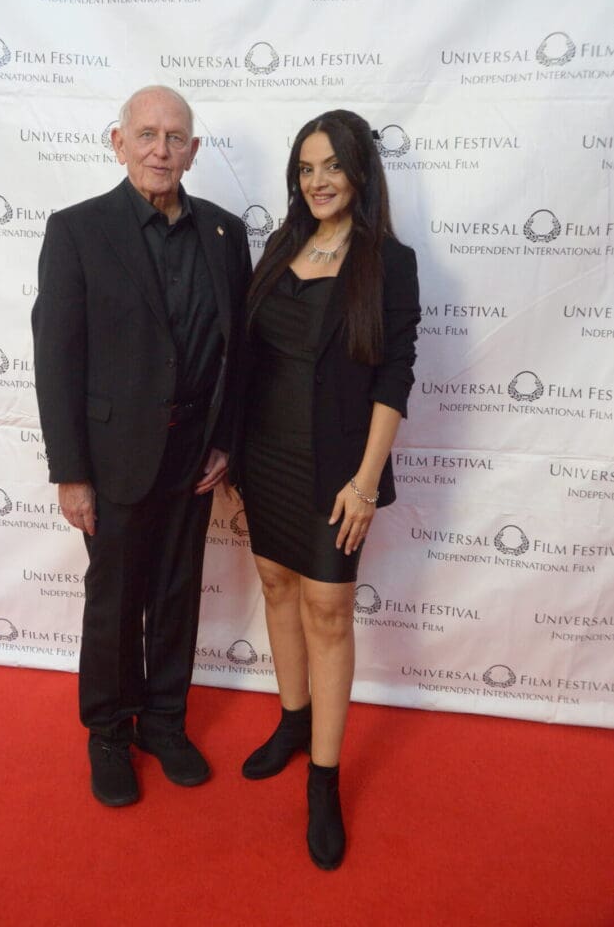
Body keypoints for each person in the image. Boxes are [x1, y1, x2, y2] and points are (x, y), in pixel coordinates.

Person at [32, 86, 251, 807]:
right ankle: (107, 732)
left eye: (175, 136)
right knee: (116, 600)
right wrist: (71, 473)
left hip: (193, 455)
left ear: (192, 150)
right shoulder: (77, 231)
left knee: (177, 594)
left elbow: (237, 350)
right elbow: (57, 358)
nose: (161, 148)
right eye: (147, 134)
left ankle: (163, 721)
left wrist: (225, 438)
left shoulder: (223, 232)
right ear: (117, 141)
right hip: (113, 456)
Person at [240, 109, 420, 869]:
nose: (317, 180)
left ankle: (322, 777)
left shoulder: (388, 260)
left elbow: (393, 374)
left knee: (328, 607)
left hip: (338, 465)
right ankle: (290, 718)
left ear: (359, 174)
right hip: (263, 454)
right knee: (278, 586)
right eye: (305, 168)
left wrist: (366, 483)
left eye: (331, 167)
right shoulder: (281, 246)